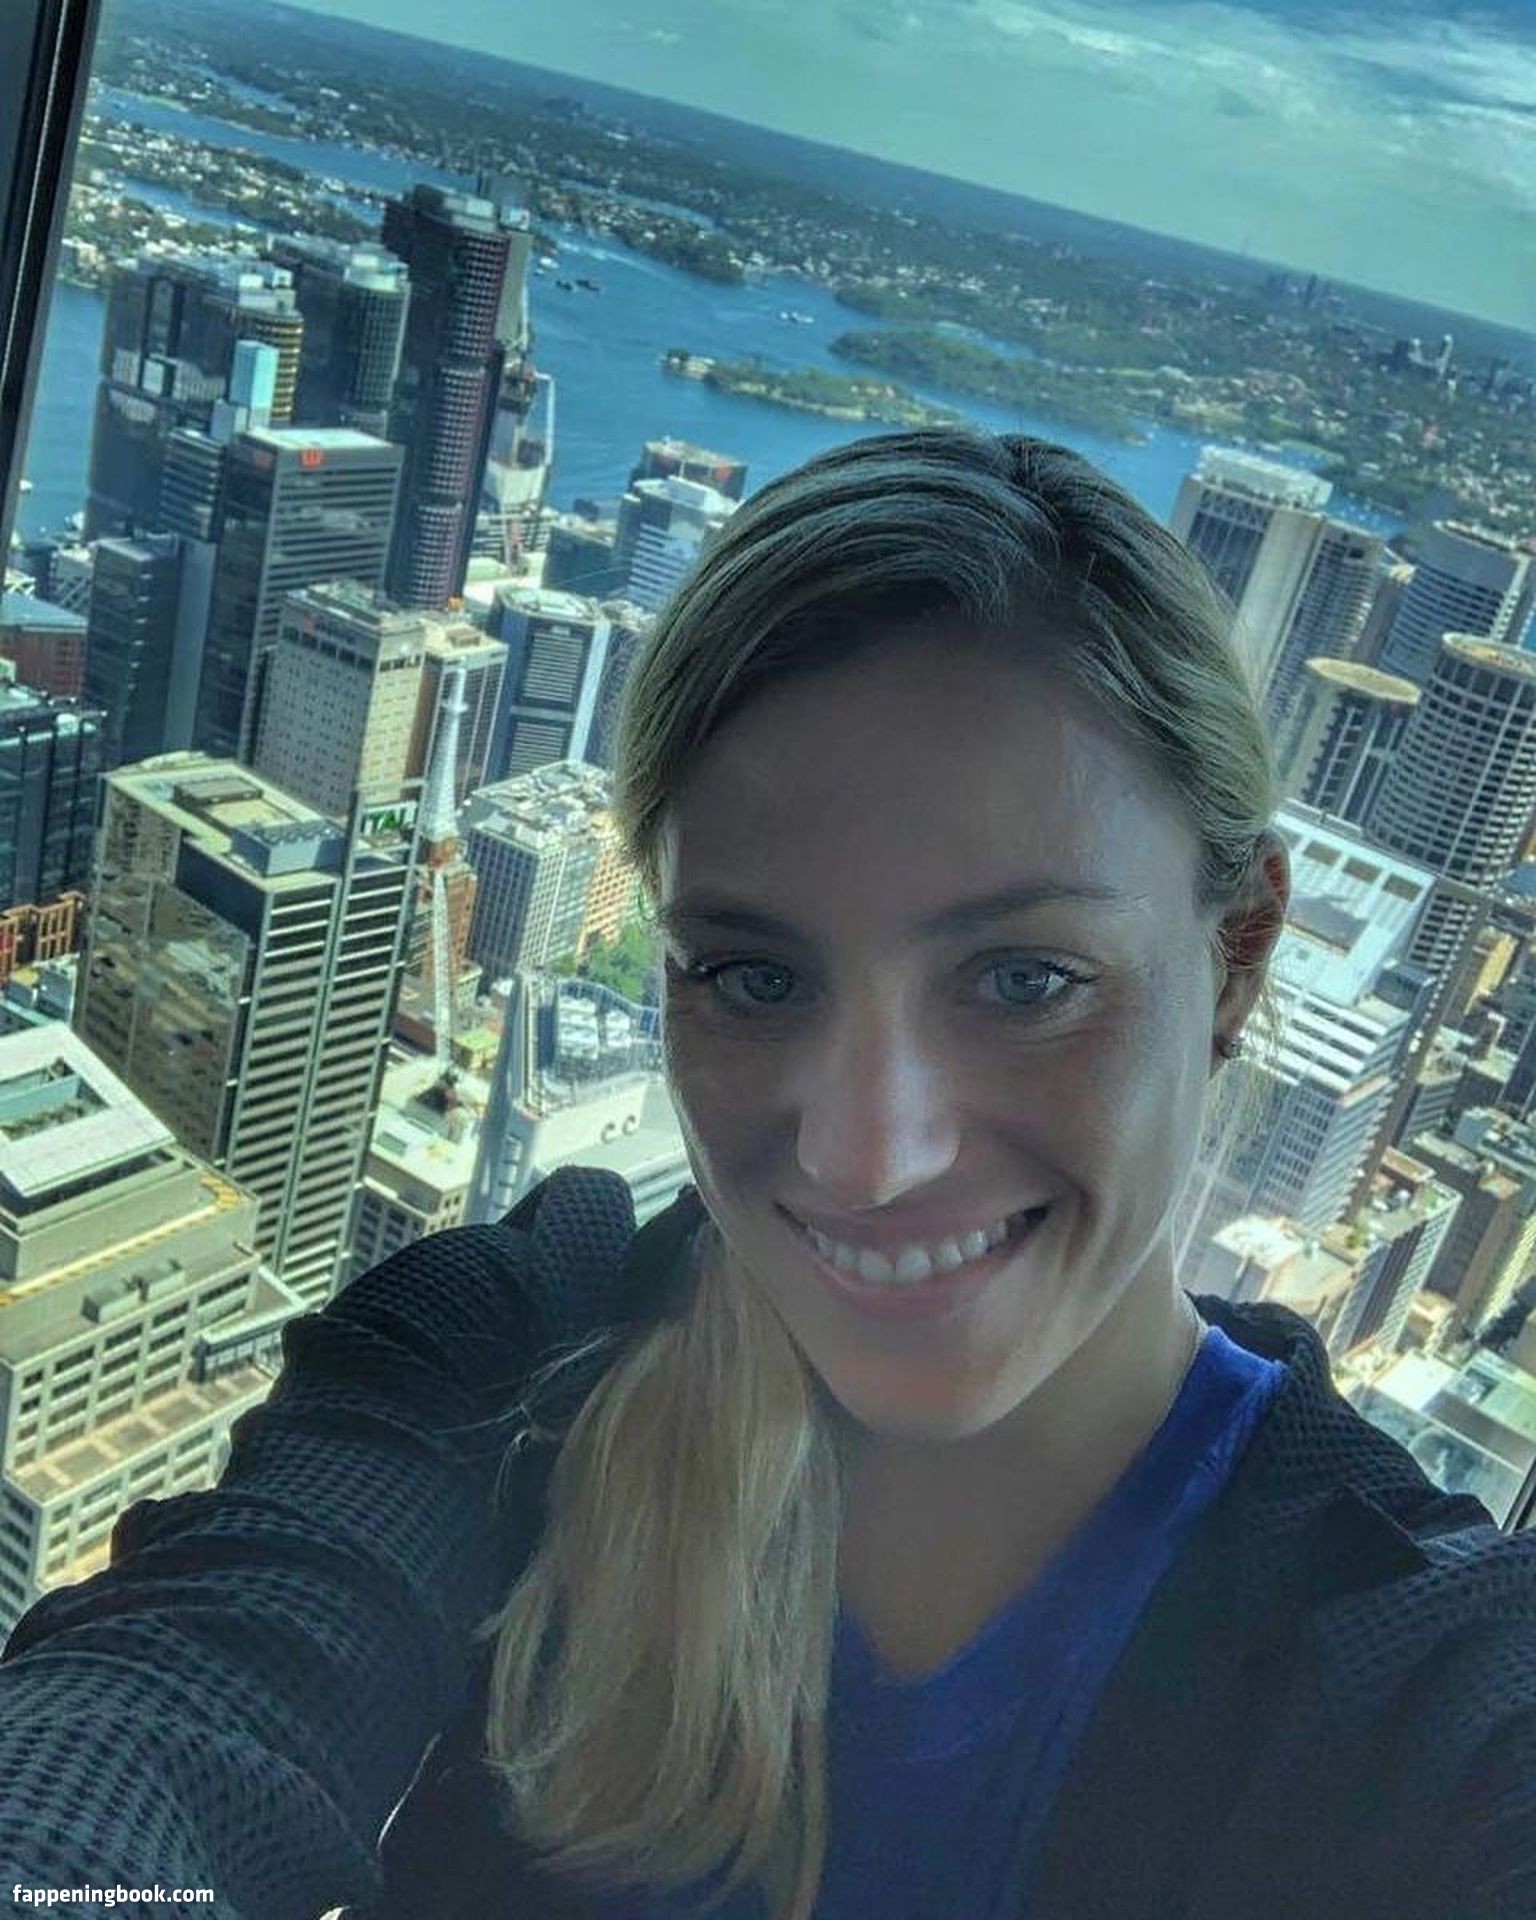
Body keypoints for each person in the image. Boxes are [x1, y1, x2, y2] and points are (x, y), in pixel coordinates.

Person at [1, 429, 1532, 1920]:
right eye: (755, 976)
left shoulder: (1423, 1672)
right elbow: (180, 1701)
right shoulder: (508, 1354)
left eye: (1024, 980)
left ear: (1240, 954)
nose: (864, 1155)